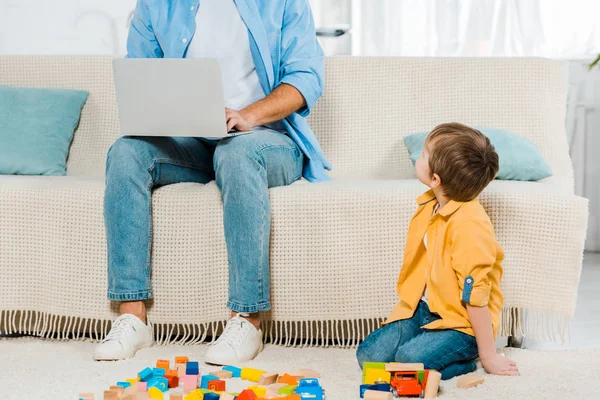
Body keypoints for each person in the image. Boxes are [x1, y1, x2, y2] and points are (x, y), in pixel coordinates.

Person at [93, 0, 331, 364]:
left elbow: (306, 79)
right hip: (190, 142)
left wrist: (248, 115)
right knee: (125, 153)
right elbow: (139, 77)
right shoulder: (157, 5)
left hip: (264, 140)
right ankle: (133, 317)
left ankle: (246, 320)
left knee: (235, 154)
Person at [356, 123, 519, 379]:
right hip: (426, 310)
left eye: (424, 154)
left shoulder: (469, 226)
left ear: (436, 179)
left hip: (462, 323)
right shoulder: (430, 203)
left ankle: (469, 361)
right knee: (368, 357)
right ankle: (430, 351)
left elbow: (475, 296)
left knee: (408, 362)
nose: (419, 154)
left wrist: (489, 355)